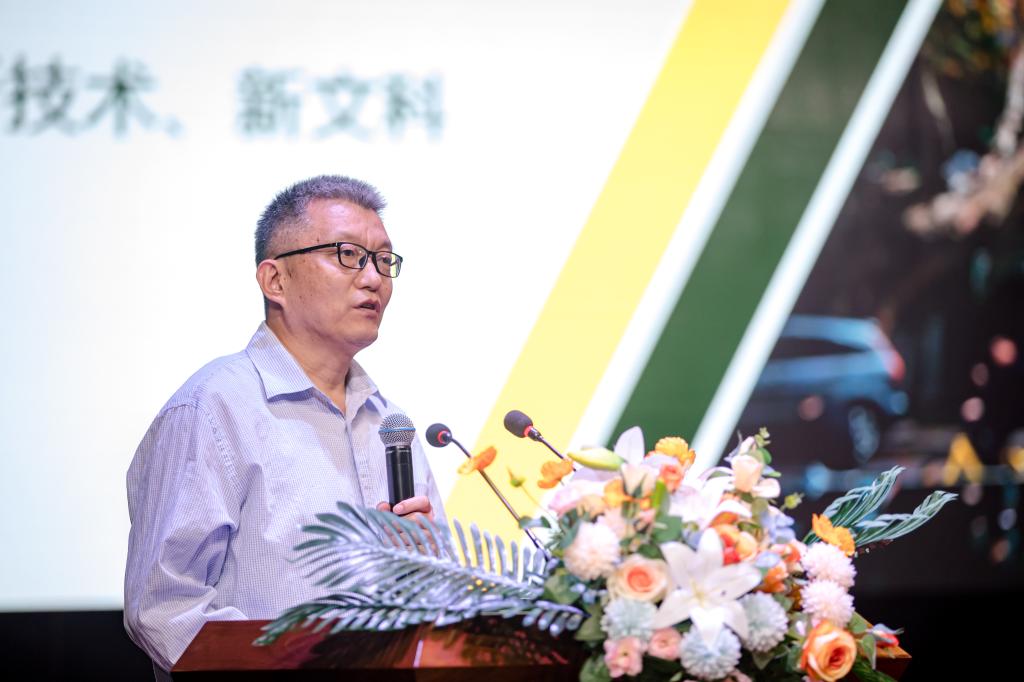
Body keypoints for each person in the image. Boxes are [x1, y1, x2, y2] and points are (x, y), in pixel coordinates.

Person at [124, 175, 446, 674]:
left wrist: (426, 570)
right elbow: (165, 609)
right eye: (348, 254)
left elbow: (436, 605)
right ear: (275, 281)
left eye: (384, 260)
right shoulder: (213, 408)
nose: (373, 278)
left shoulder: (389, 424)